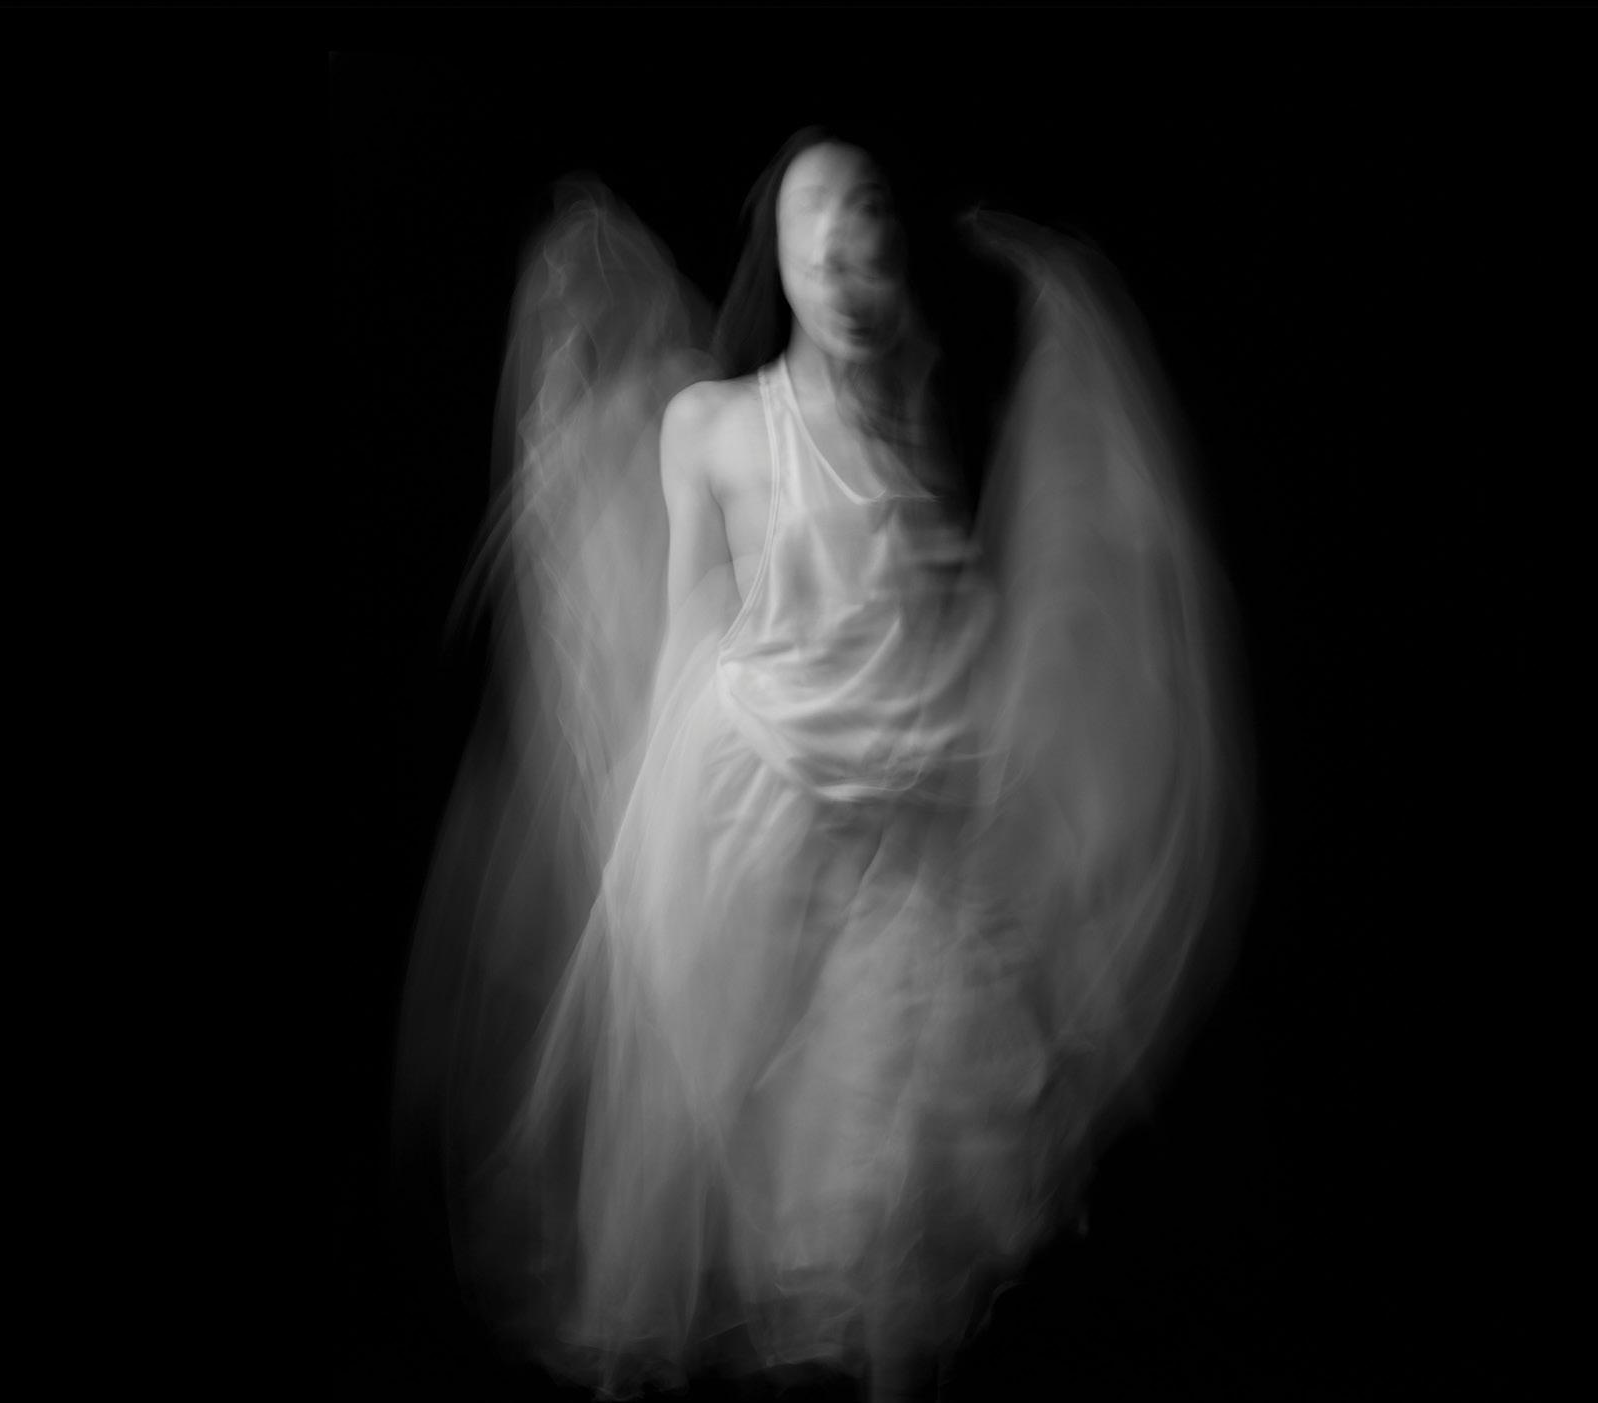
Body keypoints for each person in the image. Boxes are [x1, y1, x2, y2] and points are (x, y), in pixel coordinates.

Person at [396, 128, 1246, 1403]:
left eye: (869, 233)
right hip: (772, 804)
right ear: (782, 260)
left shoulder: (913, 427)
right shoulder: (713, 425)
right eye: (820, 233)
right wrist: (650, 832)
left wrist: (966, 742)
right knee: (796, 1143)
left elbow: (924, 615)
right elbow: (691, 627)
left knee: (896, 1168)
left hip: (915, 825)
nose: (848, 261)